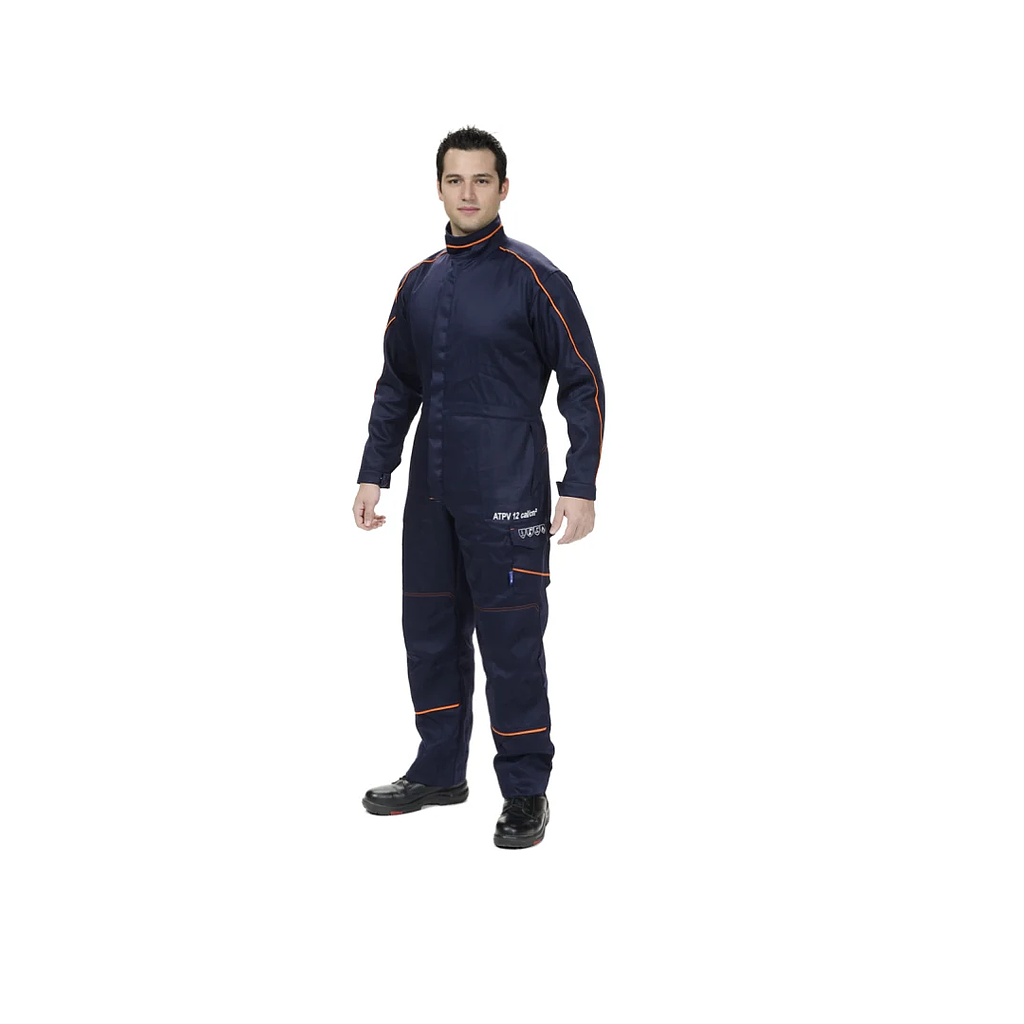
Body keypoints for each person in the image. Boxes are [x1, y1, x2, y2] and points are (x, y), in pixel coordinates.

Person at [353, 126, 605, 849]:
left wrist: (579, 483)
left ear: (503, 188)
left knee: (511, 640)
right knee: (429, 633)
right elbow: (396, 385)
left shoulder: (535, 276)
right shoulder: (419, 282)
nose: (468, 193)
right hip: (431, 494)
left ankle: (525, 790)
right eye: (455, 180)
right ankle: (439, 770)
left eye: (482, 180)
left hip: (507, 487)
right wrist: (374, 470)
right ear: (439, 188)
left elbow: (583, 383)